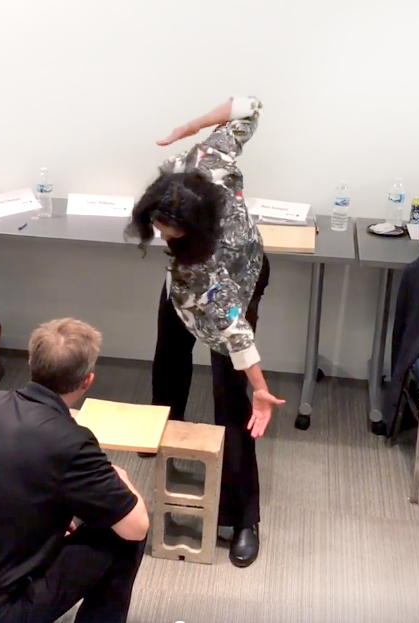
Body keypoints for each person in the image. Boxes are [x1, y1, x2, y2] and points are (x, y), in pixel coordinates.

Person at [125, 95, 285, 568]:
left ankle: (243, 519)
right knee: (169, 360)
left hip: (233, 284)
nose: (161, 235)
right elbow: (249, 105)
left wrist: (260, 387)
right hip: (184, 287)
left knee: (232, 398)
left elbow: (235, 332)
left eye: (170, 232)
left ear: (193, 229)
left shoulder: (203, 271)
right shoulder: (204, 161)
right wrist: (184, 129)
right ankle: (161, 433)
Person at [0, 318, 149, 623]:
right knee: (122, 529)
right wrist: (122, 478)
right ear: (87, 381)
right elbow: (137, 526)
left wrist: (51, 518)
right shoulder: (72, 442)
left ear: (30, 362)